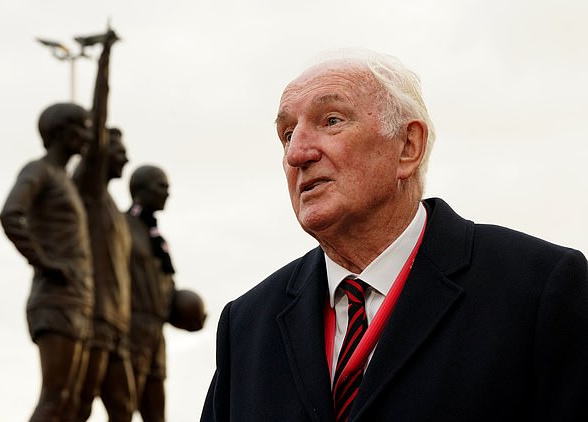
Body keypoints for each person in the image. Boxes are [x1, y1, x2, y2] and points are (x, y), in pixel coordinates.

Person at [201, 49, 588, 422]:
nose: (296, 153)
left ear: (408, 146)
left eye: (331, 120)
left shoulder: (540, 288)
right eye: (287, 134)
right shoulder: (246, 325)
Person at [0, 101, 94, 422]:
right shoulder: (38, 171)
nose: (87, 135)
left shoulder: (66, 181)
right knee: (55, 399)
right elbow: (11, 214)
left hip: (77, 300)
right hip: (55, 299)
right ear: (60, 131)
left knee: (70, 403)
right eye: (82, 127)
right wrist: (45, 262)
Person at [72, 30, 136, 422]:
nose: (125, 159)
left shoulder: (114, 208)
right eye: (119, 151)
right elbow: (98, 117)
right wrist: (104, 59)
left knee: (123, 407)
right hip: (93, 316)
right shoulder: (90, 190)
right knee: (77, 404)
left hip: (118, 322)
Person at [126, 165, 206, 422]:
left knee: (156, 413)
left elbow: (163, 284)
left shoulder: (156, 235)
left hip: (154, 333)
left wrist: (184, 310)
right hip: (129, 331)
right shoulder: (122, 226)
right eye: (162, 186)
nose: (167, 193)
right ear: (141, 189)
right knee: (122, 408)